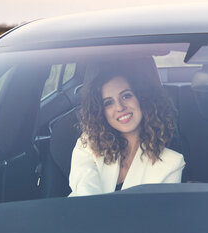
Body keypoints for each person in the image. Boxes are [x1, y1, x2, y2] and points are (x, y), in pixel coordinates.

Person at [68, 64, 185, 196]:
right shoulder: (88, 145)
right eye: (108, 102)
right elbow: (85, 197)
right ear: (101, 113)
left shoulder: (172, 164)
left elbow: (157, 214)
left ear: (142, 99)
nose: (119, 107)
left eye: (126, 96)